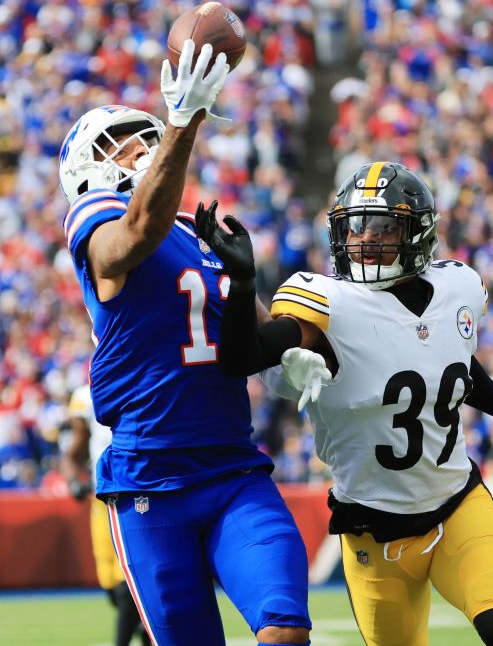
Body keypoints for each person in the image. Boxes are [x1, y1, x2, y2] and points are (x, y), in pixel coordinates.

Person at [203, 162, 493, 646]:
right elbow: (240, 358)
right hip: (374, 529)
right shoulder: (329, 305)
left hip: (458, 504)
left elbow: (453, 367)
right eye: (356, 226)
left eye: (382, 226)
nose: (365, 239)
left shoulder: (457, 288)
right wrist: (244, 284)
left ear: (418, 233)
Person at [58, 40, 311, 646]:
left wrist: (292, 350)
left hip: (232, 468)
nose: (141, 150)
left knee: (284, 631)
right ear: (86, 168)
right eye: (123, 144)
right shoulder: (97, 220)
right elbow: (136, 232)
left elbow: (249, 343)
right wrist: (182, 120)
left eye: (148, 139)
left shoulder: (197, 234)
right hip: (150, 480)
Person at [66, 383, 147, 646]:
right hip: (102, 498)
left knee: (130, 582)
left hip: (137, 493)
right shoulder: (85, 395)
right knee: (111, 585)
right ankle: (147, 629)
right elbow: (74, 451)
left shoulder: (142, 381)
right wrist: (72, 480)